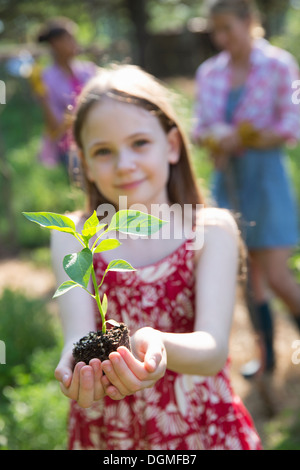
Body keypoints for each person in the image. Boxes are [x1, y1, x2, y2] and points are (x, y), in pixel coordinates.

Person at [52, 64, 262, 450]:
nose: (124, 164)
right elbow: (76, 336)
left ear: (172, 146)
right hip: (109, 429)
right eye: (103, 151)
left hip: (197, 425)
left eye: (140, 143)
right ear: (84, 164)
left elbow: (213, 349)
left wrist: (151, 342)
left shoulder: (209, 231)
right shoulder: (75, 236)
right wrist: (74, 367)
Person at [192, 0, 300, 378]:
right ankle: (266, 355)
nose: (221, 38)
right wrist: (213, 138)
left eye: (227, 29)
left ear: (249, 22)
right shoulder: (210, 72)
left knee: (275, 274)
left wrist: (250, 136)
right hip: (230, 180)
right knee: (249, 278)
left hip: (266, 177)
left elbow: (293, 120)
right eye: (215, 31)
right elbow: (199, 124)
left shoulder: (280, 65)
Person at [32, 17, 98, 171]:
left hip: (97, 136)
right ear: (56, 43)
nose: (75, 42)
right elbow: (54, 125)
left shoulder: (89, 70)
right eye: (70, 38)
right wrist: (44, 99)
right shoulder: (45, 80)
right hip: (71, 147)